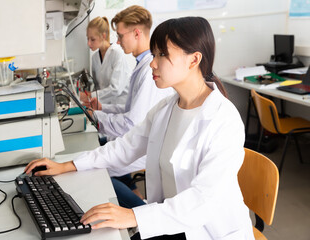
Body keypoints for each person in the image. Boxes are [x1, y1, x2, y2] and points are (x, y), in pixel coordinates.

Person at [25, 16, 254, 240]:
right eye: (154, 54)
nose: (153, 63)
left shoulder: (224, 120)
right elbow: (124, 148)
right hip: (170, 222)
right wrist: (67, 165)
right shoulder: (166, 108)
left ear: (193, 60)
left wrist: (133, 215)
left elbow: (203, 200)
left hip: (207, 230)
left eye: (162, 54)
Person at [83, 6, 174, 201]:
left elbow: (132, 123)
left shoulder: (150, 69)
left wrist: (97, 117)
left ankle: (138, 214)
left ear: (137, 33)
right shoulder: (141, 63)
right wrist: (102, 108)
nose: (117, 41)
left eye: (121, 35)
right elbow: (129, 109)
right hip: (138, 139)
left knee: (96, 171)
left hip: (146, 147)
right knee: (97, 157)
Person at [84, 16, 131, 105]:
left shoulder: (116, 53)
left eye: (92, 39)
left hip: (122, 106)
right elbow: (98, 87)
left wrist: (90, 96)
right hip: (106, 107)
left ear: (103, 36)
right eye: (88, 39)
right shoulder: (95, 58)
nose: (88, 43)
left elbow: (116, 89)